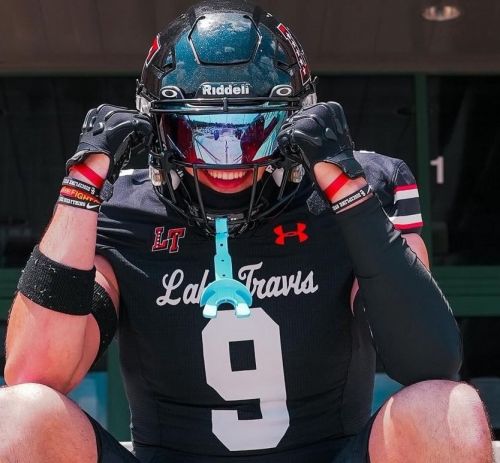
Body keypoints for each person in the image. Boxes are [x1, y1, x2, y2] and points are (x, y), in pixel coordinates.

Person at [0, 1, 493, 462]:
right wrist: (81, 188)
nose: (227, 158)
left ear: (297, 120)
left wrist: (349, 195)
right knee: (21, 413)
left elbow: (428, 360)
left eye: (254, 131)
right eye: (199, 132)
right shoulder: (121, 209)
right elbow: (34, 371)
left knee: (444, 409)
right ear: (157, 128)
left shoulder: (357, 187)